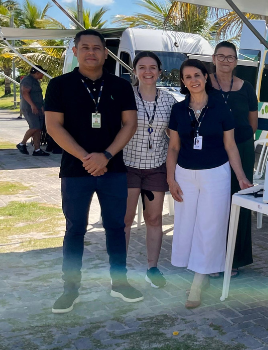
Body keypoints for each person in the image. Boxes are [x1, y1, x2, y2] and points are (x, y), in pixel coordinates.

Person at [44, 29, 143, 314]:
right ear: (75, 51)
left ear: (105, 53)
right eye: (85, 47)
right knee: (75, 229)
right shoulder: (59, 85)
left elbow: (130, 124)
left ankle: (119, 284)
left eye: (97, 48)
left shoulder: (121, 86)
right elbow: (53, 126)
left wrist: (107, 156)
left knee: (116, 227)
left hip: (113, 169)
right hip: (76, 170)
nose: (91, 52)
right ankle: (70, 289)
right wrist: (87, 158)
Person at [166, 59, 251, 309]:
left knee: (210, 226)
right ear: (183, 82)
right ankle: (199, 274)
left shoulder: (221, 107)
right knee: (187, 226)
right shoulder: (178, 110)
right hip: (185, 174)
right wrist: (170, 179)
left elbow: (230, 146)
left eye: (197, 75)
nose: (193, 80)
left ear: (205, 77)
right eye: (187, 77)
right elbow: (173, 147)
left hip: (216, 174)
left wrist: (241, 176)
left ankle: (197, 283)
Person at [122, 51, 177, 288]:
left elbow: (173, 137)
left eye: (152, 67)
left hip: (156, 168)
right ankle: (119, 270)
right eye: (142, 67)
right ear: (135, 71)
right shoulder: (125, 96)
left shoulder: (169, 100)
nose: (147, 72)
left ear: (159, 71)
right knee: (125, 220)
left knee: (153, 219)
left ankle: (152, 268)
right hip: (128, 166)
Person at [209, 41, 258, 278]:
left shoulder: (246, 87)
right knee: (214, 203)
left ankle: (235, 258)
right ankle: (212, 258)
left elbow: (253, 123)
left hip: (242, 149)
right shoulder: (203, 83)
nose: (225, 61)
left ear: (236, 61)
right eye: (221, 56)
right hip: (212, 150)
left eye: (230, 57)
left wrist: (238, 143)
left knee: (239, 200)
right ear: (214, 58)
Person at [17, 65, 50, 156]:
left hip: (38, 108)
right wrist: (32, 105)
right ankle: (22, 144)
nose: (43, 75)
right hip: (30, 108)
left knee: (38, 129)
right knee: (35, 126)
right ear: (37, 73)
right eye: (42, 73)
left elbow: (38, 95)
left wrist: (41, 106)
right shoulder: (27, 80)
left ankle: (37, 149)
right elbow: (25, 92)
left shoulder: (35, 81)